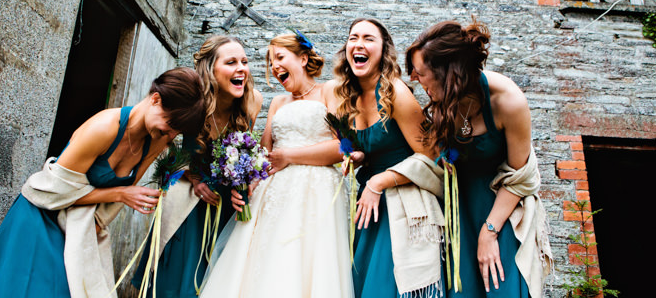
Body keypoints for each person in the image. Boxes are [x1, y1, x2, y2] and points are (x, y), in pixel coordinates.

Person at [0, 67, 206, 298]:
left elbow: (120, 195)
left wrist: (96, 229)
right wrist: (121, 194)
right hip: (40, 216)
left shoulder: (157, 140)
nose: (172, 135)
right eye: (171, 124)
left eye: (178, 131)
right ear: (155, 99)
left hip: (80, 224)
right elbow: (51, 192)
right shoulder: (103, 128)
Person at [199, 32, 353, 298]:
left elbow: (344, 148)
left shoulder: (329, 91)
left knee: (306, 264)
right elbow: (263, 156)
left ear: (303, 58)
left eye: (280, 57)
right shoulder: (278, 103)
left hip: (316, 194)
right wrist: (245, 186)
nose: (274, 66)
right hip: (273, 196)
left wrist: (290, 156)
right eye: (271, 61)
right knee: (264, 262)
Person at [406, 19, 552, 298]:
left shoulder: (507, 101)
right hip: (459, 212)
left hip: (501, 210)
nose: (414, 78)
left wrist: (490, 232)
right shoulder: (443, 102)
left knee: (502, 287)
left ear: (448, 73)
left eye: (421, 72)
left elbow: (522, 176)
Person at [132, 35, 262, 298]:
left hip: (225, 205)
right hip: (188, 203)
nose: (241, 69)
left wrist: (244, 183)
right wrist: (193, 177)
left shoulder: (253, 101)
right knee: (179, 279)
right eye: (231, 62)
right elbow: (162, 149)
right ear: (211, 70)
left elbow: (246, 150)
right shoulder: (192, 102)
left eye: (245, 62)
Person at [331, 18, 445, 298]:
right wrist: (356, 156)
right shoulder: (347, 98)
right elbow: (361, 148)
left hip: (403, 203)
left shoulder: (395, 92)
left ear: (384, 50)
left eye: (369, 38)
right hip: (369, 208)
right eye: (353, 37)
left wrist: (379, 181)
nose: (359, 44)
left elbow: (431, 157)